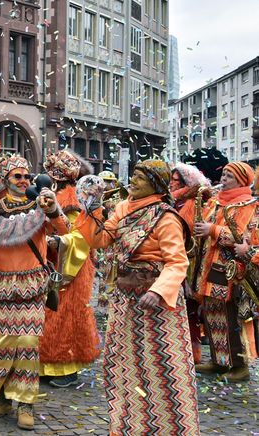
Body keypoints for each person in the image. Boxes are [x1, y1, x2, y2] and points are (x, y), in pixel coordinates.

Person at [75, 160, 199, 434]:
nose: (132, 180)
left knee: (161, 373)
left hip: (157, 307)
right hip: (126, 302)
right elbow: (100, 240)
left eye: (140, 177)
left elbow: (177, 262)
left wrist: (158, 290)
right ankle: (128, 425)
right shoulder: (122, 208)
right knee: (124, 367)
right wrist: (91, 211)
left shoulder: (166, 217)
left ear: (155, 184)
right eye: (133, 175)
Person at [0, 155, 67, 430]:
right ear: (6, 179)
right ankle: (2, 399)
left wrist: (54, 209)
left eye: (26, 176)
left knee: (26, 344)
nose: (23, 181)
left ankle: (26, 403)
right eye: (16, 176)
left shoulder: (40, 207)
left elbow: (64, 230)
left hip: (31, 287)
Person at [39, 150, 100, 388]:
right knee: (51, 315)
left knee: (66, 314)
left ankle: (67, 366)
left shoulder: (74, 199)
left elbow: (79, 235)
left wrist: (58, 241)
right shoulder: (56, 194)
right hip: (53, 261)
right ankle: (47, 363)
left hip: (71, 266)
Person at [194, 161, 258, 381]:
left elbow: (244, 238)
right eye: (224, 174)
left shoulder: (248, 205)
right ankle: (218, 360)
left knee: (230, 318)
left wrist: (212, 230)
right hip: (210, 265)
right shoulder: (215, 202)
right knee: (213, 315)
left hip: (230, 269)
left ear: (241, 180)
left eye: (230, 176)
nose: (224, 178)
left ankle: (239, 366)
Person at [170, 162, 211, 364]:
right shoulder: (177, 201)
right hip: (181, 261)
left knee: (189, 310)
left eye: (175, 180)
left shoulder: (189, 204)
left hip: (187, 264)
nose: (170, 183)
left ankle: (190, 355)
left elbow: (183, 236)